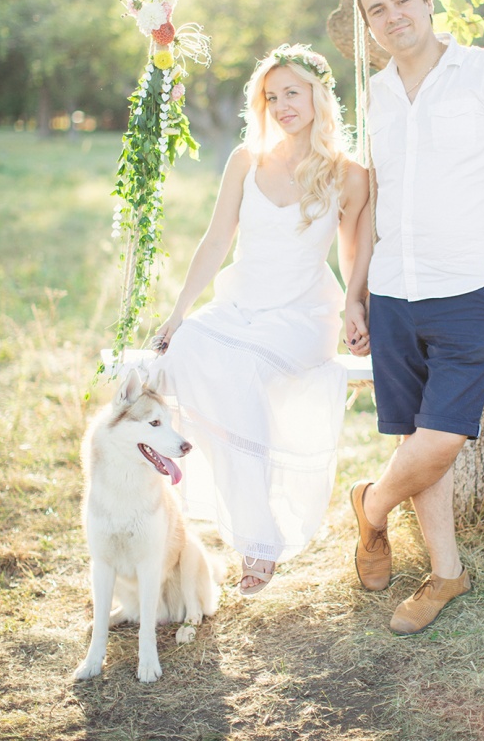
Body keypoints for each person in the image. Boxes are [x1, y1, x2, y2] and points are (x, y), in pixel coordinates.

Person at [344, 0, 484, 635]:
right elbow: (374, 198)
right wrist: (355, 293)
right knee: (416, 435)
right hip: (392, 292)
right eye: (377, 10)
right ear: (369, 26)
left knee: (441, 438)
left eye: (401, 0)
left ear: (428, 3)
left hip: (469, 290)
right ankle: (445, 573)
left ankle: (371, 508)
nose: (392, 16)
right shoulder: (374, 94)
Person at [150, 44, 369, 595]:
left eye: (293, 92)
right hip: (239, 306)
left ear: (319, 95)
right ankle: (247, 512)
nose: (282, 105)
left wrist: (355, 306)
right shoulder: (246, 161)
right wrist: (179, 312)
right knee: (188, 351)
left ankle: (258, 540)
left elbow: (353, 253)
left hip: (301, 315)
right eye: (272, 97)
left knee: (240, 370)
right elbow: (216, 240)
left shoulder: (348, 174)